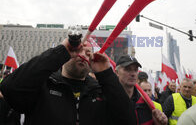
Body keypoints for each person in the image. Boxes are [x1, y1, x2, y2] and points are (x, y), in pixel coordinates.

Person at [0, 38, 136, 125]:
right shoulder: (44, 84)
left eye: (88, 53)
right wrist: (59, 52)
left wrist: (106, 74)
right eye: (78, 50)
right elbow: (10, 89)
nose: (83, 55)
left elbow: (128, 119)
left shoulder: (100, 91)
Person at [115, 55, 168, 125]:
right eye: (128, 69)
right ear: (117, 72)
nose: (133, 73)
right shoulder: (106, 99)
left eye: (135, 70)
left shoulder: (148, 105)